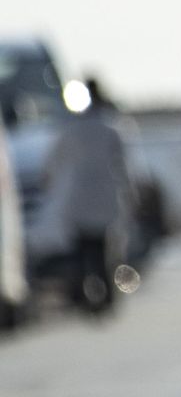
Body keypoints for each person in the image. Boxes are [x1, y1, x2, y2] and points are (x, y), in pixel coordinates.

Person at [45, 75, 132, 317]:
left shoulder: (71, 129)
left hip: (79, 198)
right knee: (101, 251)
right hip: (101, 197)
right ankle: (105, 299)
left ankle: (87, 298)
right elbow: (123, 166)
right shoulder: (110, 127)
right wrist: (130, 194)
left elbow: (53, 164)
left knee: (83, 252)